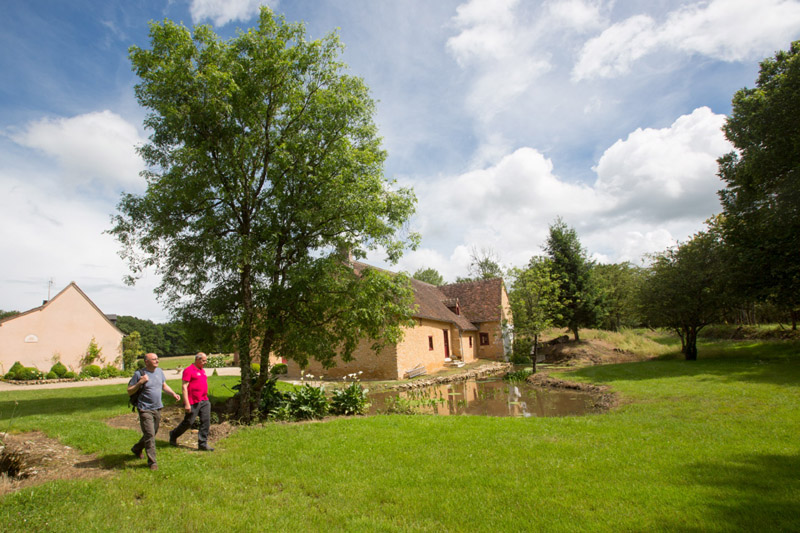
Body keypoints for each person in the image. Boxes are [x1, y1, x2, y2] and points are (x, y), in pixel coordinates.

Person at [128, 352, 181, 470]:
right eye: (154, 359)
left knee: (152, 432)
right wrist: (140, 382)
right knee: (150, 435)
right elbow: (129, 391)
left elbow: (163, 385)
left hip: (157, 407)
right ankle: (152, 462)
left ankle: (137, 448)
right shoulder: (139, 374)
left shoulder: (159, 372)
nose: (157, 361)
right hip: (144, 408)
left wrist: (173, 393)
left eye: (157, 359)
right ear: (147, 362)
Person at [169, 352, 214, 451]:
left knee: (205, 421)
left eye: (206, 360)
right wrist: (187, 403)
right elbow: (184, 387)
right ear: (197, 359)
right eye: (203, 360)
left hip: (204, 400)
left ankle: (202, 444)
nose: (205, 362)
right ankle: (173, 434)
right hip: (193, 401)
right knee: (188, 422)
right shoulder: (189, 370)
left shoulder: (202, 370)